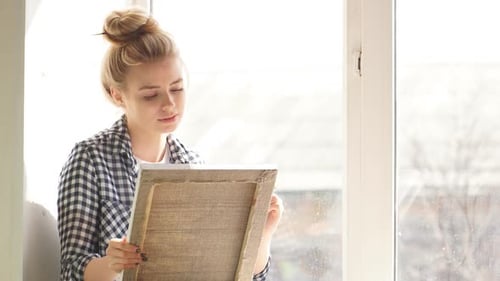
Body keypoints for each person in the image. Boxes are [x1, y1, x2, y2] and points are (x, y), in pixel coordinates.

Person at [57, 7, 283, 281]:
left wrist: (262, 236)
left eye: (177, 88)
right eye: (151, 95)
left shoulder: (193, 165)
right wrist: (113, 265)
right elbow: (71, 269)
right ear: (118, 96)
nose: (170, 104)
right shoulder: (90, 159)